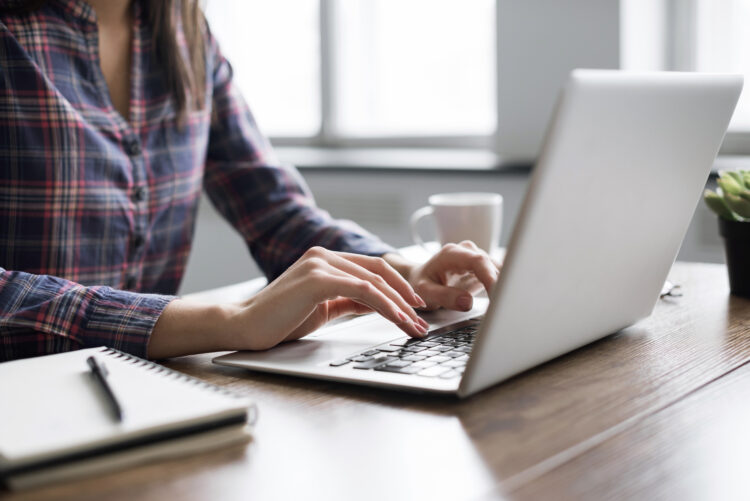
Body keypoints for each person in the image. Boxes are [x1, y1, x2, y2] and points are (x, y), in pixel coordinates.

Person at [0, 0, 498, 362]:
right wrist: (228, 321)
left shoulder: (183, 31)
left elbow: (272, 209)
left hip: (138, 389)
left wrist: (394, 273)